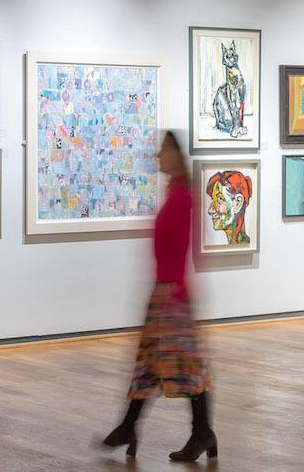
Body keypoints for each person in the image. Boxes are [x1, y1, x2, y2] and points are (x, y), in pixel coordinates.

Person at [98, 131, 216, 462]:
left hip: (172, 296)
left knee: (186, 368)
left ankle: (200, 432)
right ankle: (131, 426)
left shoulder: (182, 196)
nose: (158, 156)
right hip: (164, 293)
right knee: (149, 365)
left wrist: (173, 289)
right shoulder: (175, 193)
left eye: (163, 150)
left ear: (176, 155)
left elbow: (183, 246)